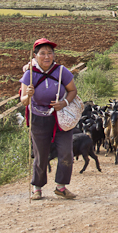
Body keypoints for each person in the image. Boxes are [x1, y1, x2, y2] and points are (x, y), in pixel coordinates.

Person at [20, 38, 78, 200]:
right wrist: (28, 95)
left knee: (66, 152)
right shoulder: (29, 74)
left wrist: (64, 102)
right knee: (41, 154)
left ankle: (61, 186)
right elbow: (23, 100)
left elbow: (72, 90)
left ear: (54, 55)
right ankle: (37, 188)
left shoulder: (61, 71)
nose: (47, 57)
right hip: (39, 118)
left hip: (60, 118)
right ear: (35, 56)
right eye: (43, 53)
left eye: (50, 53)